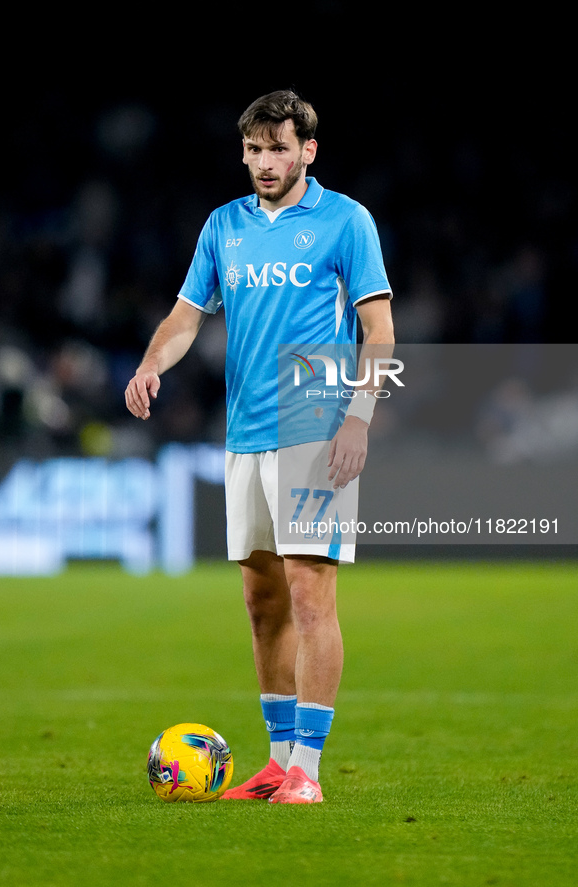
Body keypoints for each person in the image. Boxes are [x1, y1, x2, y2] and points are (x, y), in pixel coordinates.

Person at [125, 89, 394, 804]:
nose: (263, 162)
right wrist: (153, 362)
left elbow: (379, 330)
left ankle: (307, 767)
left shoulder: (345, 221)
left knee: (311, 596)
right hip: (243, 432)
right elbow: (186, 315)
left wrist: (359, 418)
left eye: (277, 148)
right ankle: (277, 761)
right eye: (253, 149)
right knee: (261, 601)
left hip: (314, 424)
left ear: (308, 150)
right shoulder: (225, 225)